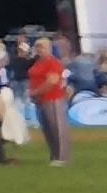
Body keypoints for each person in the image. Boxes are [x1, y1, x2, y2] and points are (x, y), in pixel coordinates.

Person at [23, 36, 71, 168]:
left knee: (57, 127)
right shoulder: (37, 63)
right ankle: (54, 155)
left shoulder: (52, 63)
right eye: (37, 47)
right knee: (48, 129)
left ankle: (62, 157)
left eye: (41, 47)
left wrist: (36, 91)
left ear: (48, 48)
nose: (39, 50)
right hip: (41, 100)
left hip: (53, 98)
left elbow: (52, 81)